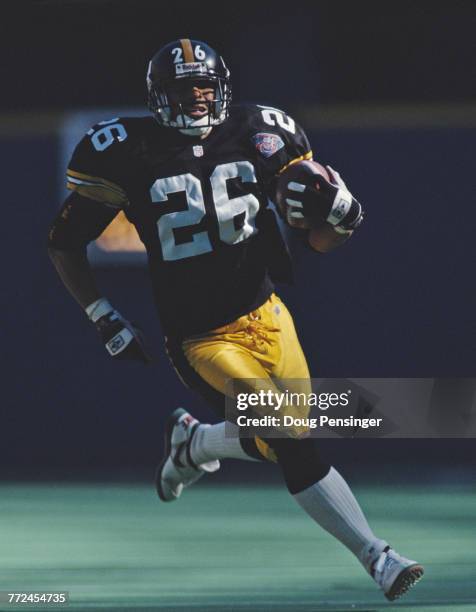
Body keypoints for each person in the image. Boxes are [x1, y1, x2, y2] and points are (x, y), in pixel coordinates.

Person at [48, 38, 423, 601]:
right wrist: (102, 315)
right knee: (292, 438)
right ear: (158, 96)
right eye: (183, 90)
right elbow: (64, 241)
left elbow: (317, 241)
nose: (197, 100)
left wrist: (344, 220)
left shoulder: (263, 133)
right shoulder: (125, 150)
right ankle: (378, 555)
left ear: (222, 88)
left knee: (286, 434)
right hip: (200, 337)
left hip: (269, 317)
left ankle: (194, 445)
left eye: (205, 87)